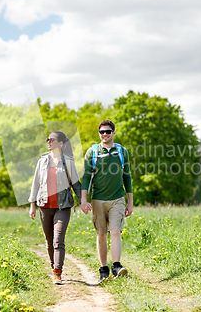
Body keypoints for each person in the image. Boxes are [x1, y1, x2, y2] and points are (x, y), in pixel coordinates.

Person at [80, 120, 133, 282]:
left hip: (118, 198)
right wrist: (83, 199)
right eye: (102, 132)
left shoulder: (122, 151)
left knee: (115, 231)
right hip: (98, 199)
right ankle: (104, 269)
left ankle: (116, 266)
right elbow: (87, 176)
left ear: (113, 133)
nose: (105, 134)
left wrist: (130, 202)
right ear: (99, 134)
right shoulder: (93, 152)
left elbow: (127, 177)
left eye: (108, 131)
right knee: (101, 234)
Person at [29, 131, 82, 285]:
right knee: (49, 240)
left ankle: (58, 271)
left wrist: (83, 201)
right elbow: (35, 183)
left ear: (60, 143)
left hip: (63, 206)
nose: (48, 142)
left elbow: (76, 184)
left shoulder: (68, 161)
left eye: (51, 140)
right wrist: (32, 205)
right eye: (47, 139)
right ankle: (53, 266)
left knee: (58, 240)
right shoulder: (42, 161)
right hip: (44, 205)